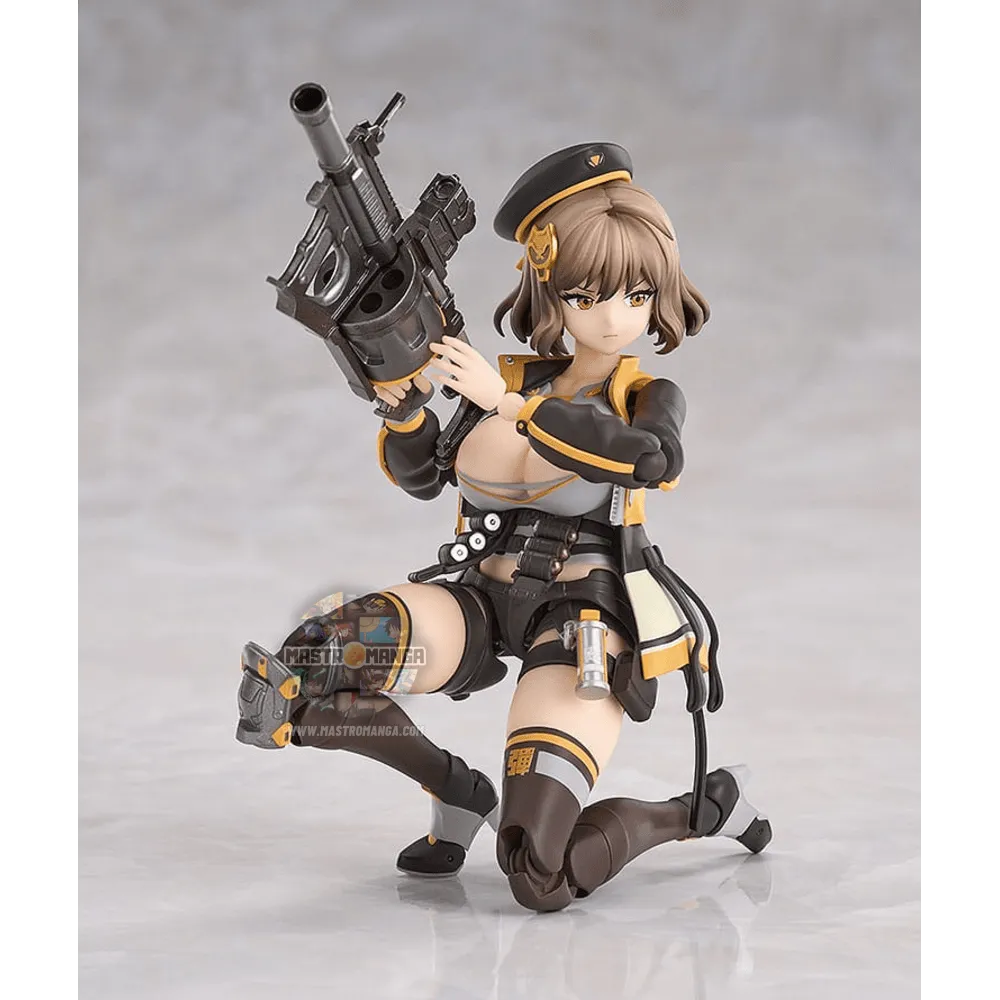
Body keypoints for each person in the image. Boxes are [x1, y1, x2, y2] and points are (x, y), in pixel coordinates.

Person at [236, 142, 771, 912]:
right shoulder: (502, 376)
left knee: (537, 871)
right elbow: (428, 477)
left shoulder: (642, 396)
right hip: (477, 600)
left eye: (636, 293)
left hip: (581, 618)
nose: (612, 316)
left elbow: (652, 460)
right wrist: (407, 412)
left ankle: (706, 806)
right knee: (309, 667)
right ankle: (456, 791)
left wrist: (511, 407)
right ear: (548, 289)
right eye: (586, 294)